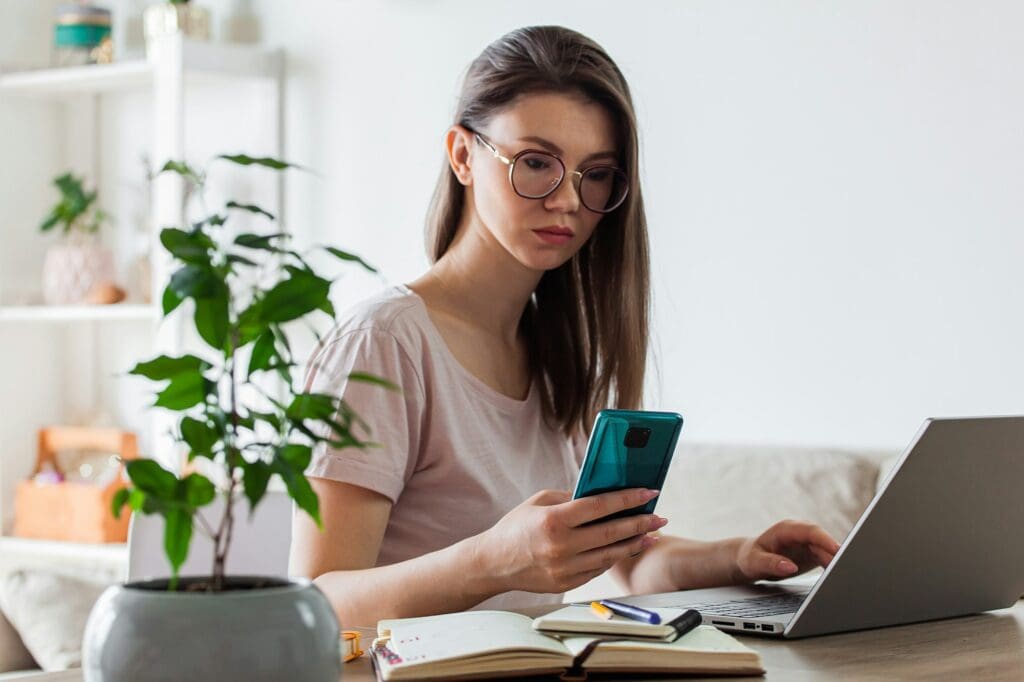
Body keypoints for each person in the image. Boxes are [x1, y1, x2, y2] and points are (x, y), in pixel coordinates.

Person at [289, 25, 840, 627]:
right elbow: (315, 604)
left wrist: (739, 557)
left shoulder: (556, 352)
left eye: (596, 173)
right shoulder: (385, 344)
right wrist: (492, 562)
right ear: (462, 155)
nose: (568, 201)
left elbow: (627, 566)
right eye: (535, 162)